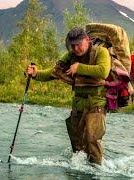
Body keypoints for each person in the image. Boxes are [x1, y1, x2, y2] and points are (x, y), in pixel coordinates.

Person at [26, 27, 111, 165]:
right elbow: (53, 72)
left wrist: (79, 67)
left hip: (96, 104)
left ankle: (97, 171)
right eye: (73, 45)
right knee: (77, 146)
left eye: (79, 44)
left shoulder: (101, 52)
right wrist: (36, 74)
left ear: (87, 40)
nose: (76, 48)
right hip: (77, 105)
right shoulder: (70, 56)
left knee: (92, 141)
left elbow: (103, 71)